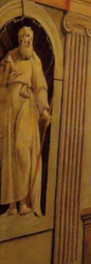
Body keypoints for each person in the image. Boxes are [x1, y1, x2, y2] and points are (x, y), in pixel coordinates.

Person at [0, 26, 51, 216]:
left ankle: (24, 202)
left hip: (26, 109)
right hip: (8, 109)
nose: (25, 39)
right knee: (9, 155)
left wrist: (44, 109)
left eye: (28, 36)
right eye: (22, 36)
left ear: (32, 39)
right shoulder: (11, 59)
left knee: (22, 151)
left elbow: (41, 88)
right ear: (18, 39)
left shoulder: (34, 63)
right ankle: (13, 205)